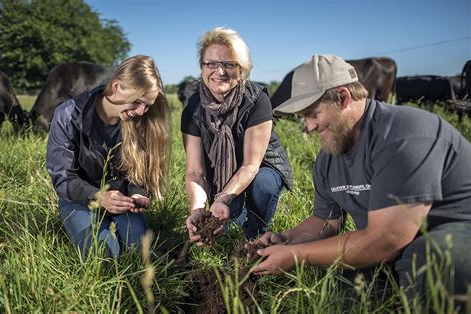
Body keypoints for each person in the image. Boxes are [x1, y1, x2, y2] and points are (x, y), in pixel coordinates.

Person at [252, 54, 471, 302]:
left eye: (313, 114)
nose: (309, 127)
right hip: (399, 248)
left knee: (432, 259)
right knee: (342, 286)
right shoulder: (328, 158)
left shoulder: (403, 135)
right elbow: (325, 222)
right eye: (304, 118)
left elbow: (388, 239)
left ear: (343, 98)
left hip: (454, 233)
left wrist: (297, 255)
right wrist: (287, 239)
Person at [46, 55, 171, 257]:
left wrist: (139, 193)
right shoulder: (68, 114)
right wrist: (99, 197)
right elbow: (62, 178)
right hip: (79, 199)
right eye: (137, 101)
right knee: (104, 256)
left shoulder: (139, 120)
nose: (141, 111)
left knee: (141, 252)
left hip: (123, 199)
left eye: (147, 105)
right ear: (115, 87)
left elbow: (138, 171)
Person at [182, 27, 293, 244]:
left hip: (261, 165)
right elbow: (195, 171)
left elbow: (251, 165)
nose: (219, 71)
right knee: (229, 214)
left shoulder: (257, 100)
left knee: (264, 186)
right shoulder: (193, 108)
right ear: (202, 67)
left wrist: (223, 197)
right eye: (211, 63)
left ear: (242, 69)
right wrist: (197, 209)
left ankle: (254, 234)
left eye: (229, 64)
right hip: (220, 169)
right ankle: (235, 215)